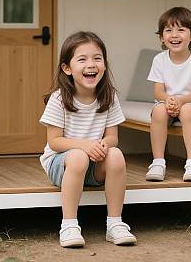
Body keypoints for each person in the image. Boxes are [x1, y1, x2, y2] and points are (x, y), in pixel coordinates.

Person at [39, 31, 137, 248]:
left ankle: (115, 223)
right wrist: (84, 145)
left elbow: (112, 137)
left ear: (104, 64)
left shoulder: (108, 97)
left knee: (116, 155)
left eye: (97, 58)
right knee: (77, 158)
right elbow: (55, 142)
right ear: (67, 68)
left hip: (93, 166)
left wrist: (103, 145)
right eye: (82, 59)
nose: (91, 64)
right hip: (61, 166)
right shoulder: (58, 99)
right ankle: (69, 225)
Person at [145, 7, 191, 183]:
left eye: (181, 30)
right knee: (159, 112)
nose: (174, 35)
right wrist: (169, 101)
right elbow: (158, 92)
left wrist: (180, 101)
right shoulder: (159, 60)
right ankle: (158, 162)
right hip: (167, 103)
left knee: (187, 111)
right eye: (168, 30)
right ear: (162, 37)